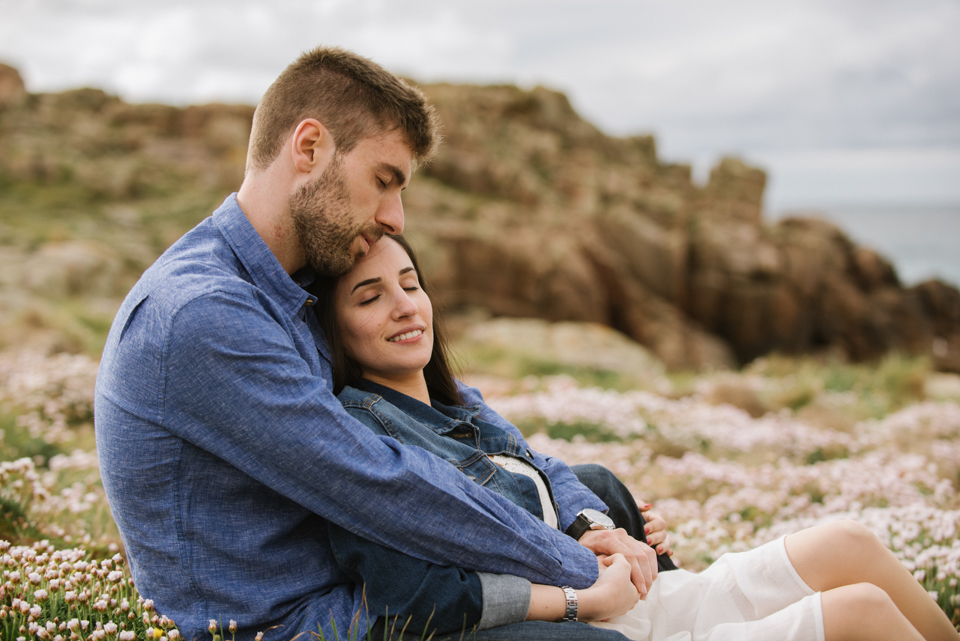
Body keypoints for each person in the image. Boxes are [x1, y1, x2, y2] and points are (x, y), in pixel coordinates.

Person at [94, 46, 669, 641]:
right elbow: (378, 483)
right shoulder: (201, 314)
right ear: (309, 148)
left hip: (378, 575)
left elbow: (455, 402)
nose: (395, 217)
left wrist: (582, 525)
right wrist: (578, 568)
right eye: (383, 181)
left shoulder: (297, 278)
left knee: (593, 488)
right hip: (310, 622)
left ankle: (686, 601)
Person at [313, 233, 960, 641]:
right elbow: (422, 597)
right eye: (370, 297)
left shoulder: (463, 406)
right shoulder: (364, 438)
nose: (404, 304)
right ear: (335, 334)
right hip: (601, 622)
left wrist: (602, 526)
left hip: (635, 599)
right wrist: (581, 596)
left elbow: (551, 468)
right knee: (860, 613)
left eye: (410, 283)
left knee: (850, 542)